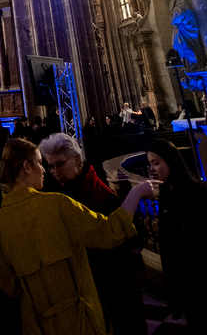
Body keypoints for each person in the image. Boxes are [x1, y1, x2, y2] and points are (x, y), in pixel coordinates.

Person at [0, 138, 157, 335]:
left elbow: (10, 287)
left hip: (36, 324)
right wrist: (136, 193)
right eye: (41, 163)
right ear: (27, 167)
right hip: (79, 319)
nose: (45, 170)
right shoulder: (57, 204)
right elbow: (110, 231)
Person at [40, 133, 145, 335]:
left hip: (109, 283)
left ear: (78, 160)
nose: (55, 172)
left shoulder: (102, 196)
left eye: (60, 164)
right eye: (51, 166)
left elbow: (119, 254)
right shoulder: (58, 194)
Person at [147, 139, 207, 334]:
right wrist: (174, 296)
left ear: (171, 162)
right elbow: (169, 249)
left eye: (156, 163)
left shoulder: (200, 193)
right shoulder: (166, 193)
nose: (151, 169)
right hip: (187, 288)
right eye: (150, 164)